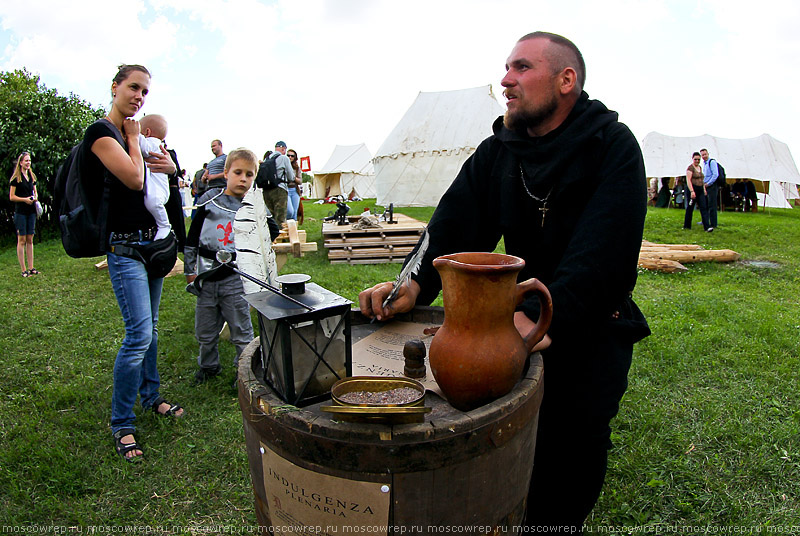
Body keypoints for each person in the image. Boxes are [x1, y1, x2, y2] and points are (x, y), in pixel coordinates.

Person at [359, 32, 650, 529]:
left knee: (568, 457)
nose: (506, 80)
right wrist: (409, 284)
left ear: (566, 80)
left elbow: (603, 255)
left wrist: (529, 319)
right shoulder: (500, 151)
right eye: (506, 68)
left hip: (589, 328)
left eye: (521, 68)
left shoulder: (612, 147)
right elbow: (451, 225)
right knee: (511, 452)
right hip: (514, 319)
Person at [85, 64, 182, 462]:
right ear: (115, 87)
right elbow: (135, 181)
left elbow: (164, 181)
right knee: (138, 334)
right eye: (133, 87)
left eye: (144, 91)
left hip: (152, 246)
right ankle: (122, 422)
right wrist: (132, 136)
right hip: (124, 249)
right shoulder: (102, 134)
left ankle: (151, 395)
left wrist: (173, 170)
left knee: (153, 330)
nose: (139, 96)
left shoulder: (139, 138)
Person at [184, 148, 258, 384]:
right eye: (238, 172)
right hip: (206, 276)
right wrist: (190, 271)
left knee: (241, 328)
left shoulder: (254, 207)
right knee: (205, 329)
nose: (243, 178)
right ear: (226, 173)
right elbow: (192, 238)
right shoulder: (208, 201)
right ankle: (208, 366)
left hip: (237, 278)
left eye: (249, 174)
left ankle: (244, 371)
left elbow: (268, 237)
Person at [137, 114, 172, 241]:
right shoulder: (157, 145)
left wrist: (135, 133)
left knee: (153, 203)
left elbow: (145, 149)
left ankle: (164, 225)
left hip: (158, 191)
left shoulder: (154, 143)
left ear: (147, 132)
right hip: (156, 186)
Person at [9, 151, 40, 277]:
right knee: (21, 240)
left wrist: (35, 198)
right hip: (21, 212)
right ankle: (23, 270)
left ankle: (31, 267)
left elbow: (35, 191)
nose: (28, 163)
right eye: (26, 161)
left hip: (31, 211)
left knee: (30, 239)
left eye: (29, 161)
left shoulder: (31, 176)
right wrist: (25, 200)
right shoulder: (16, 179)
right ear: (21, 163)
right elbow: (12, 197)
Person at [262, 141, 293, 228]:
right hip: (280, 189)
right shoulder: (284, 158)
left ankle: (270, 238)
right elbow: (291, 177)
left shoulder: (267, 159)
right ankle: (280, 238)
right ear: (283, 148)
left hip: (266, 190)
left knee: (270, 217)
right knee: (280, 217)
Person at [683, 152, 712, 232]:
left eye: (698, 159)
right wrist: (692, 191)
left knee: (703, 207)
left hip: (700, 190)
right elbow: (688, 180)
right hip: (693, 189)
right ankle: (687, 226)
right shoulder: (690, 168)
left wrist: (704, 189)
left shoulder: (700, 167)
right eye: (695, 159)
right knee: (690, 208)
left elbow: (701, 180)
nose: (697, 161)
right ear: (692, 159)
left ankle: (707, 226)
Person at [700, 148, 721, 228]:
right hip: (706, 186)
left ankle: (713, 223)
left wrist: (708, 183)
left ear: (708, 154)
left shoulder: (712, 162)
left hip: (711, 186)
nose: (704, 156)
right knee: (705, 204)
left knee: (712, 205)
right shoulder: (704, 164)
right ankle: (705, 220)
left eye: (705, 154)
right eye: (702, 155)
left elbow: (715, 175)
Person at [286, 148, 303, 221]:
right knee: (290, 211)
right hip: (286, 189)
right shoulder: (284, 166)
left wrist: (293, 177)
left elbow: (300, 181)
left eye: (292, 156)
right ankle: (288, 227)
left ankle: (294, 230)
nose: (290, 157)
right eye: (288, 155)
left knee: (295, 212)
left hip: (295, 190)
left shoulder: (296, 168)